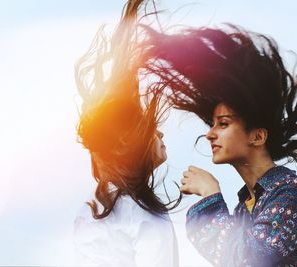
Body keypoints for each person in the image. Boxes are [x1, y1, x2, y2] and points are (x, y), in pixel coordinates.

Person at [142, 24, 297, 266]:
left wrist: (210, 195)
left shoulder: (290, 194)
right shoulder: (246, 207)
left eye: (222, 124)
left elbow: (248, 261)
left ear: (257, 137)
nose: (210, 135)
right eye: (212, 125)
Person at [73, 1, 180, 266]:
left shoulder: (93, 206)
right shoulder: (142, 211)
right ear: (135, 145)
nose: (162, 136)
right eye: (153, 132)